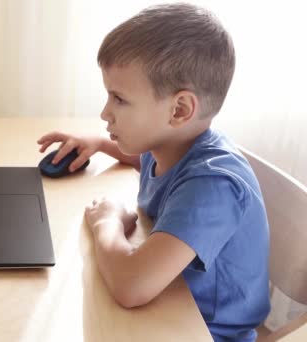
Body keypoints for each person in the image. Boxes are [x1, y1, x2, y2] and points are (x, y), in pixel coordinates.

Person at [37, 3, 271, 341]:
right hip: (170, 307)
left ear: (179, 109)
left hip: (205, 331)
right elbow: (146, 161)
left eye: (119, 98)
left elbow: (131, 286)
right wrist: (100, 144)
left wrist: (109, 222)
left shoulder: (213, 185)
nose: (105, 112)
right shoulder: (176, 146)